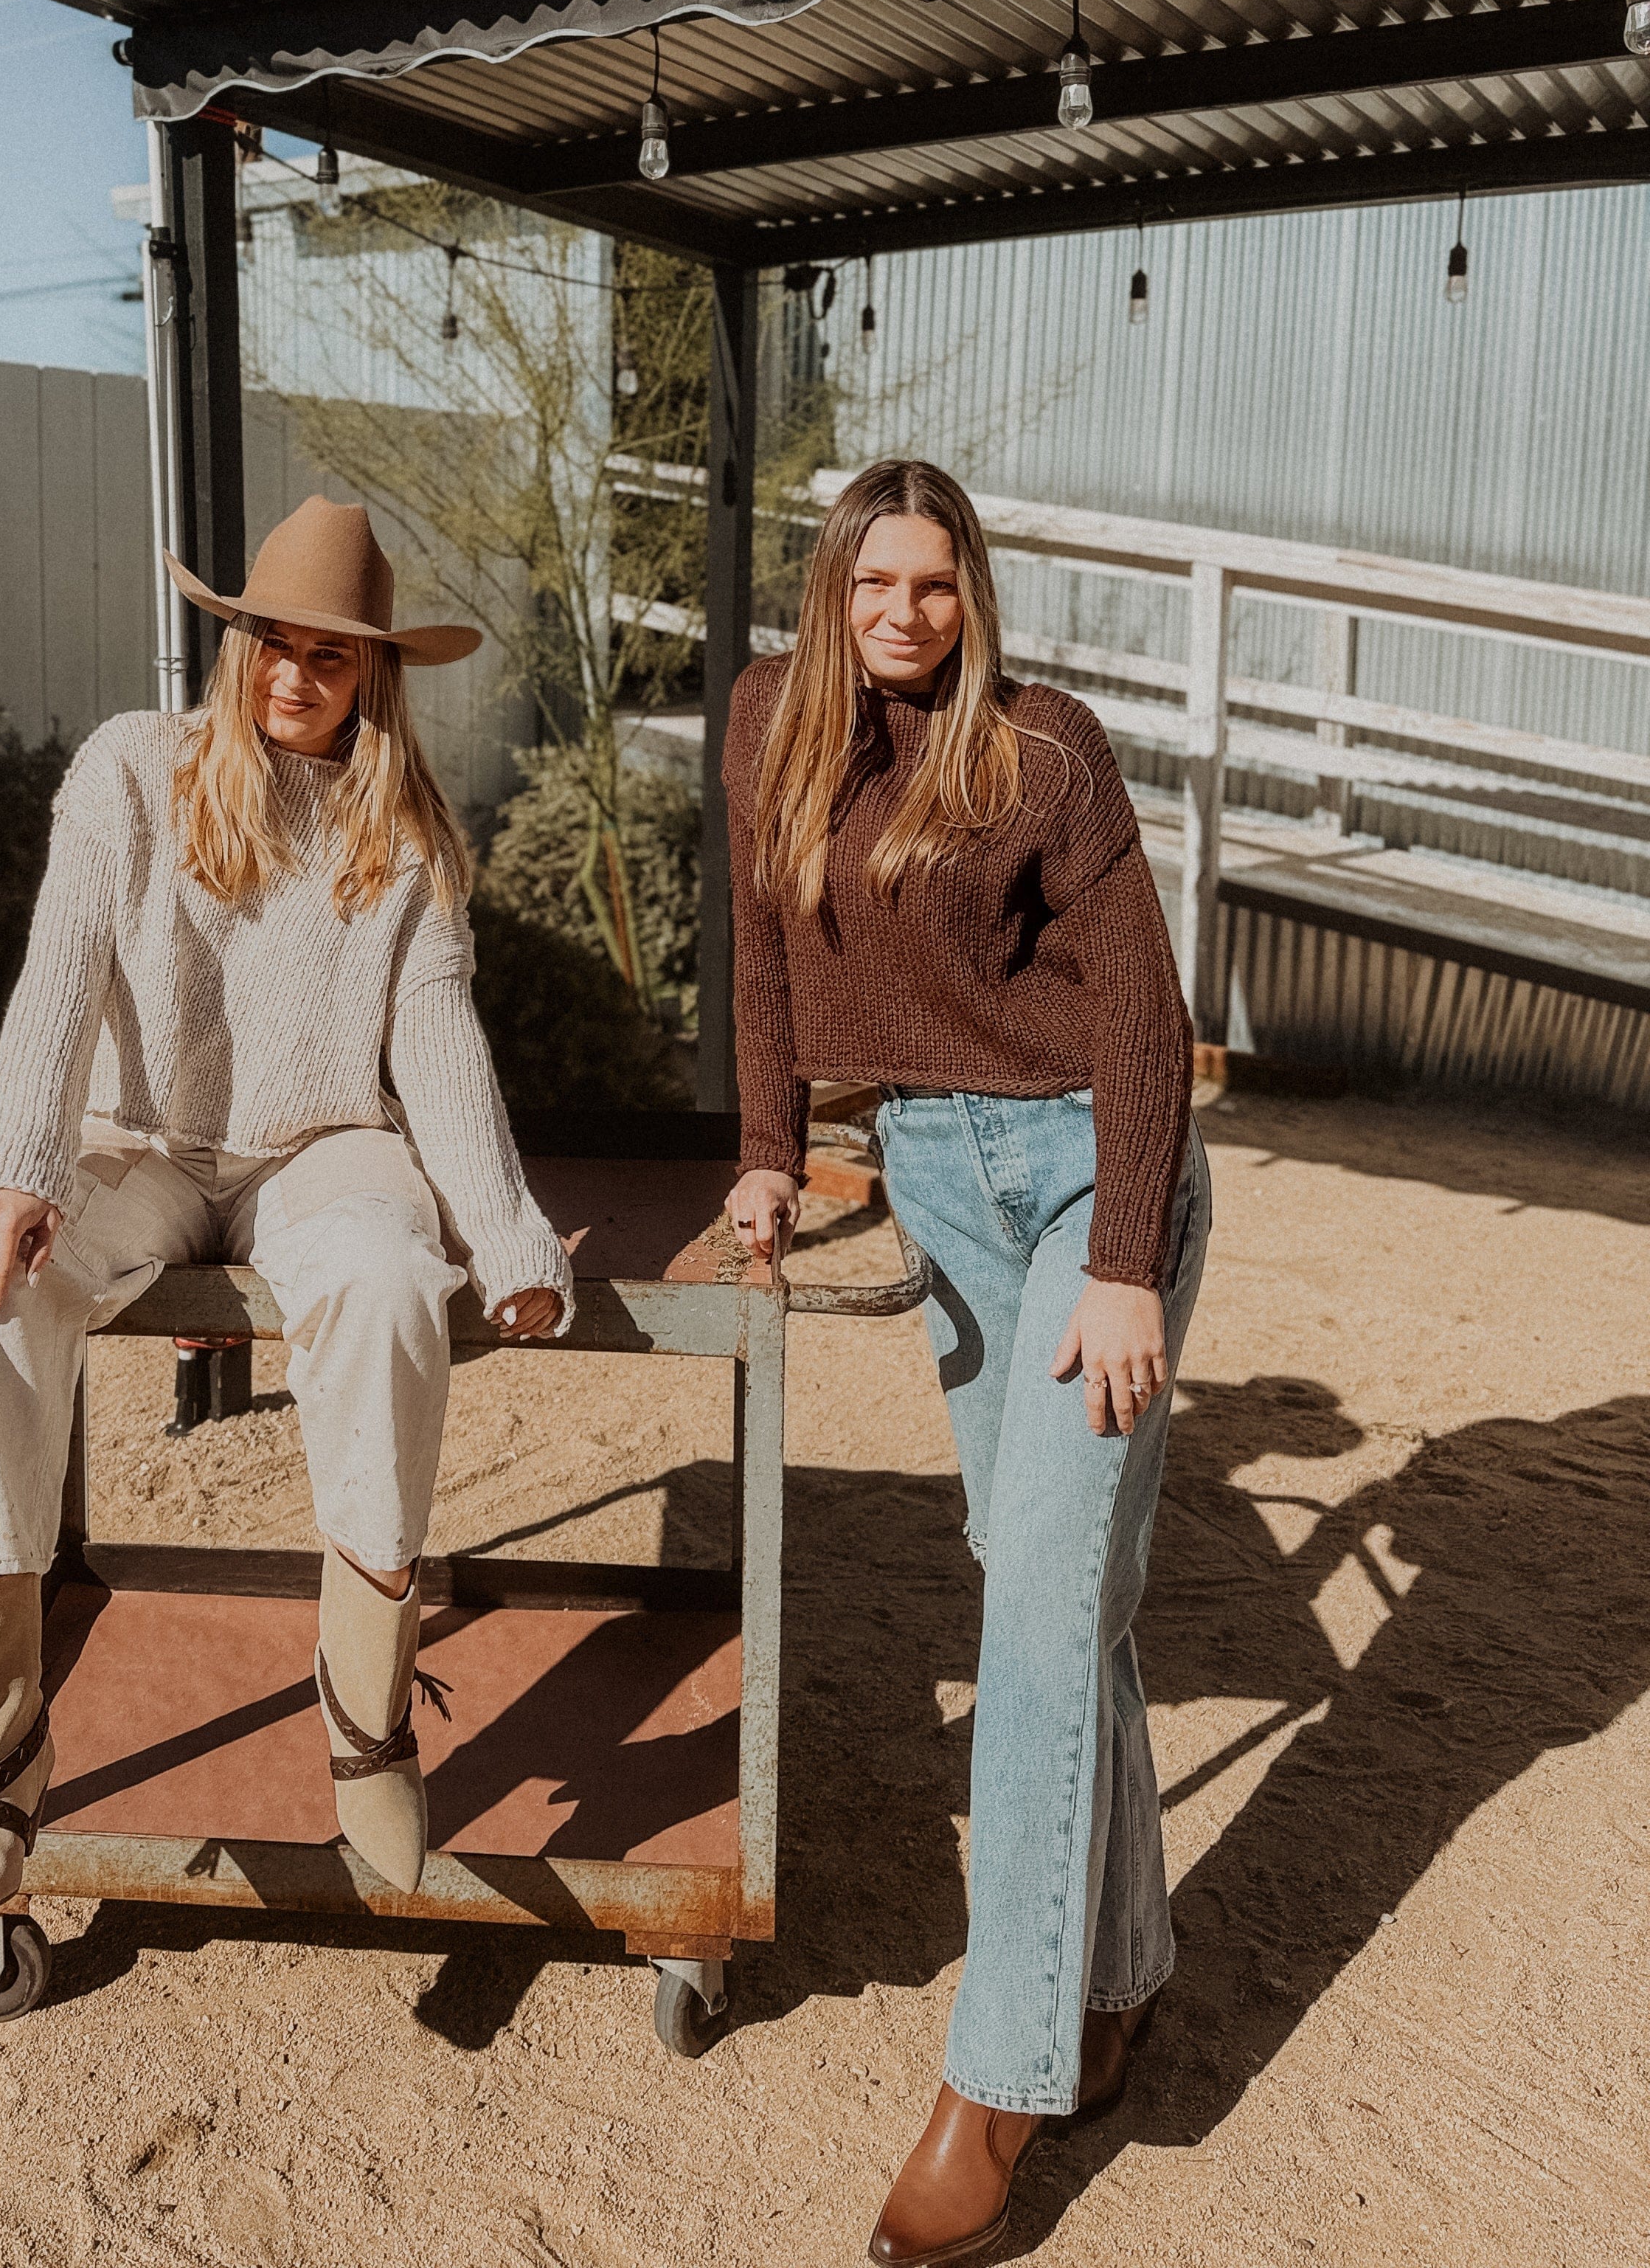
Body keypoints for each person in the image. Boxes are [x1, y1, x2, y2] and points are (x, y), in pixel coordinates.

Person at [0, 497, 572, 1934]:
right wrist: (12, 1161)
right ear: (240, 643)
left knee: (396, 1281)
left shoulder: (401, 834)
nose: (296, 675)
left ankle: (367, 1722)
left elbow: (439, 1044)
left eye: (331, 656)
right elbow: (64, 963)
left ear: (374, 673)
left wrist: (505, 1231)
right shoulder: (133, 770)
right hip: (130, 1146)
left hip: (317, 1150)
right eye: (276, 642)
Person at [724, 459, 1209, 2268]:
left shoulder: (1045, 750)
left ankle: (997, 2085)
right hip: (939, 1178)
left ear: (971, 591)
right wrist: (769, 1150)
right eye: (877, 585)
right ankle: (1130, 1964)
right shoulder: (776, 726)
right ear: (835, 588)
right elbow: (769, 951)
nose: (908, 616)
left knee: (1026, 1628)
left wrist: (1128, 1264)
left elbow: (1145, 1018)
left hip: (1094, 1172)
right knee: (1046, 1586)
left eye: (937, 586)